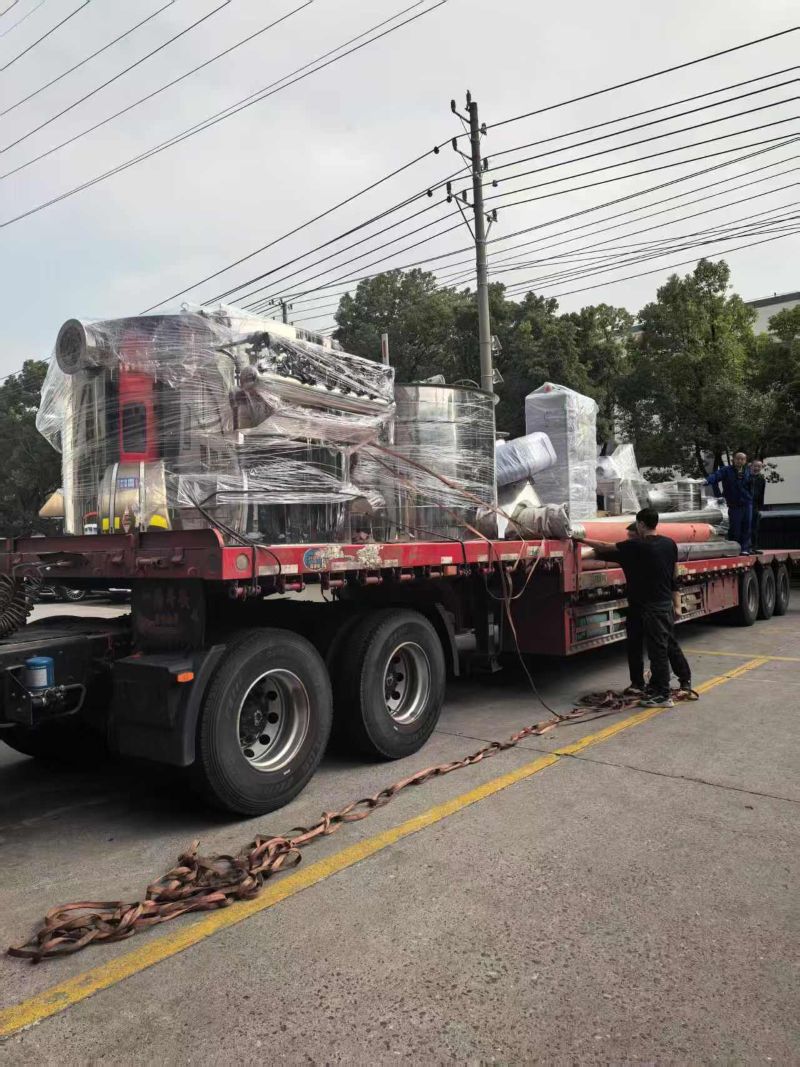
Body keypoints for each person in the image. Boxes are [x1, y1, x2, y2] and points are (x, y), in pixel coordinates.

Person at [573, 508, 692, 708]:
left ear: (641, 526)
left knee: (659, 650)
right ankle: (646, 684)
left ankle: (663, 695)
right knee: (648, 644)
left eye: (631, 533)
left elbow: (604, 547)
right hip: (650, 605)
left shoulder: (635, 547)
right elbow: (674, 576)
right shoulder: (669, 544)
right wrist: (677, 604)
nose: (628, 537)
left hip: (652, 607)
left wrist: (579, 539)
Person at [704, 452, 754, 553]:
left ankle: (745, 549)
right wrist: (706, 481)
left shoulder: (748, 471)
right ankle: (735, 548)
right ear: (733, 460)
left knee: (747, 526)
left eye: (742, 459)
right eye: (738, 459)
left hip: (747, 503)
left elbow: (752, 486)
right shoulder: (726, 470)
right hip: (734, 504)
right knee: (735, 527)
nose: (740, 461)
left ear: (745, 461)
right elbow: (716, 476)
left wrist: (751, 498)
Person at [749, 458, 766, 549]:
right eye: (755, 466)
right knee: (745, 526)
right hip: (745, 504)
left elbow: (762, 494)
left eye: (759, 466)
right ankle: (746, 546)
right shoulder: (746, 477)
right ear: (751, 466)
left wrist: (760, 508)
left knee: (755, 527)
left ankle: (754, 546)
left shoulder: (761, 479)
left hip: (755, 505)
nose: (757, 468)